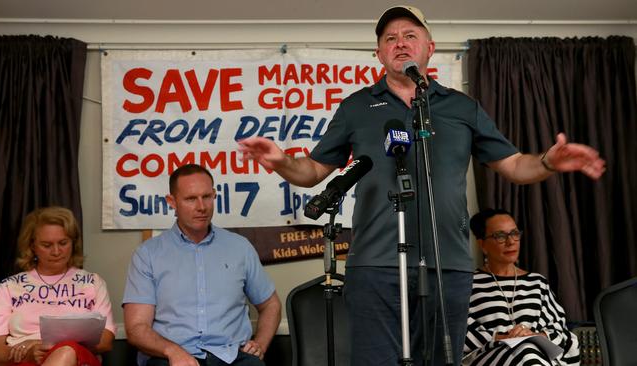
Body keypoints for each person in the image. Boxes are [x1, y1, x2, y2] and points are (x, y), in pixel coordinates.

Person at [238, 5, 604, 366]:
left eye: (410, 35)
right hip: (375, 264)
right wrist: (282, 162)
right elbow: (315, 170)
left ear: (429, 48)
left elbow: (512, 165)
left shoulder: (462, 108)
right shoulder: (356, 107)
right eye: (390, 38)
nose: (400, 43)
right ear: (379, 53)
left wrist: (547, 162)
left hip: (448, 265)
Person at [123, 164, 281, 366]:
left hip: (232, 356)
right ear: (172, 202)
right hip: (170, 357)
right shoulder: (147, 255)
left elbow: (271, 304)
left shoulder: (239, 247)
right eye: (190, 199)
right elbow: (137, 328)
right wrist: (173, 352)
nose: (201, 207)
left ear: (215, 195)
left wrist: (260, 344)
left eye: (207, 196)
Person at [0, 206, 116, 366]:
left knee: (67, 350)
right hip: (24, 360)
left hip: (78, 358)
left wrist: (47, 347)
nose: (56, 251)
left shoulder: (93, 282)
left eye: (63, 243)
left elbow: (106, 340)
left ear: (73, 242)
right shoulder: (9, 286)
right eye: (46, 245)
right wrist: (27, 354)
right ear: (32, 246)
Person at [463, 209, 580, 365]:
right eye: (500, 236)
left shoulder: (538, 283)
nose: (510, 241)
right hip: (492, 357)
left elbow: (560, 331)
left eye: (514, 233)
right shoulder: (468, 284)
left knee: (529, 351)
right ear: (482, 244)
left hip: (538, 355)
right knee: (526, 352)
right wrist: (502, 337)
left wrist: (534, 335)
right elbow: (459, 333)